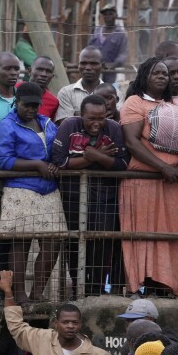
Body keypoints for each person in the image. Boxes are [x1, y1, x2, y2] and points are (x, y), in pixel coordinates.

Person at [120, 57, 178, 297]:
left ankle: (164, 284)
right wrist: (163, 167)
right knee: (141, 232)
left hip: (171, 183)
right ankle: (138, 283)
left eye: (165, 74)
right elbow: (132, 142)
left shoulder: (174, 105)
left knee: (169, 232)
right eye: (156, 73)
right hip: (143, 181)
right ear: (144, 77)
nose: (163, 77)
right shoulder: (134, 102)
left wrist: (176, 167)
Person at [50, 95, 128, 296]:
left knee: (102, 245)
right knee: (74, 244)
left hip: (105, 198)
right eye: (91, 119)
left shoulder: (113, 128)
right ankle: (78, 288)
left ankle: (97, 290)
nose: (96, 124)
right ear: (81, 115)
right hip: (72, 197)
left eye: (101, 118)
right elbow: (59, 162)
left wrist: (96, 156)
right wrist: (93, 156)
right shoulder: (69, 125)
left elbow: (122, 164)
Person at [0, 82, 62, 302]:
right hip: (20, 188)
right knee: (21, 242)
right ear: (17, 102)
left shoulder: (46, 123)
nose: (32, 109)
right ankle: (20, 294)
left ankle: (37, 293)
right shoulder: (7, 125)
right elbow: (3, 160)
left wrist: (53, 164)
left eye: (36, 105)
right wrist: (37, 165)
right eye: (27, 105)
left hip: (49, 189)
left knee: (53, 241)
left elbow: (58, 150)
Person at [56, 47, 106, 120]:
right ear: (78, 65)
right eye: (83, 63)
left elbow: (116, 122)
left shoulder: (114, 93)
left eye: (93, 63)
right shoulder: (66, 93)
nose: (88, 67)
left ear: (103, 66)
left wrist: (78, 115)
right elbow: (67, 125)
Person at [90, 5, 127, 84]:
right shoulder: (97, 30)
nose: (107, 16)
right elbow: (90, 48)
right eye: (105, 14)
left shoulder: (120, 33)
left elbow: (123, 54)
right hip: (94, 69)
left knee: (107, 90)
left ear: (116, 16)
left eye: (110, 14)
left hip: (110, 71)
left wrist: (113, 65)